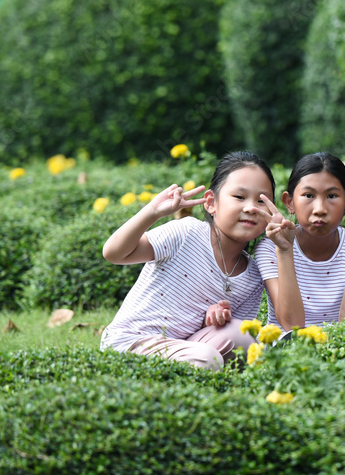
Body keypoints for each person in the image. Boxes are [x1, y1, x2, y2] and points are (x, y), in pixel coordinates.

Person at [100, 151, 303, 370]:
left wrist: (215, 317)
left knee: (244, 336)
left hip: (186, 346)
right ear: (211, 203)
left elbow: (229, 335)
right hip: (132, 341)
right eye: (239, 197)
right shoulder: (186, 232)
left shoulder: (252, 276)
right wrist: (152, 212)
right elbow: (114, 253)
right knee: (207, 359)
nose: (251, 208)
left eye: (262, 200)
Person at [255, 152, 345, 329]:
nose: (320, 209)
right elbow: (292, 326)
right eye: (308, 195)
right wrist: (285, 251)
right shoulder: (270, 248)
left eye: (331, 196)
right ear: (289, 202)